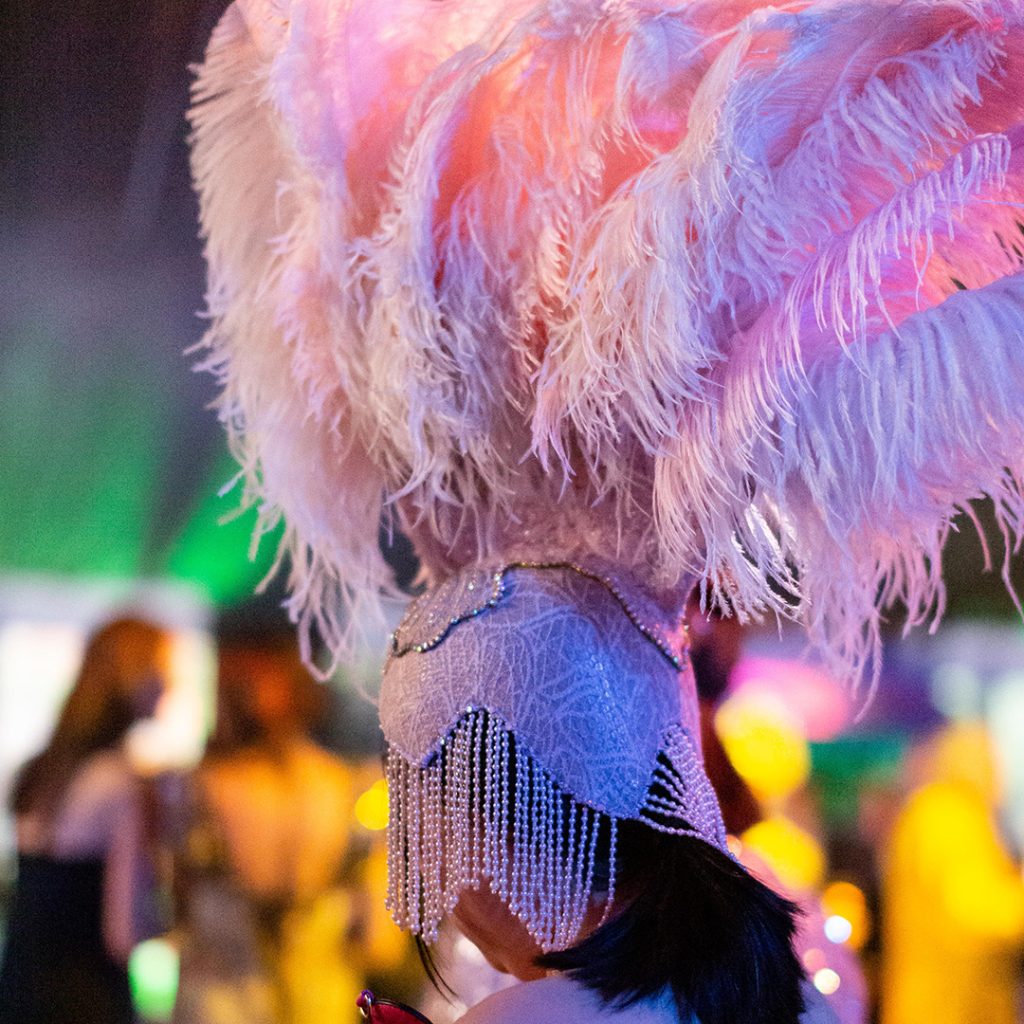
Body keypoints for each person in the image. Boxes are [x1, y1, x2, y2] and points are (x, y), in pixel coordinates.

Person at [188, 0, 1024, 1021]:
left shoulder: (529, 1013)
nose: (443, 889)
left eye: (437, 831)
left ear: (519, 830)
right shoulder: (795, 980)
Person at [170, 620, 361, 1024]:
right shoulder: (337, 782)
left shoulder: (206, 785)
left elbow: (175, 901)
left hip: (253, 990)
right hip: (284, 988)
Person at [0, 616, 169, 1024]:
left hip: (20, 988)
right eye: (162, 668)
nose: (169, 684)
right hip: (87, 996)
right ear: (134, 677)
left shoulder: (40, 770)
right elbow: (123, 934)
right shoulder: (123, 782)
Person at [881, 722, 1024, 1024]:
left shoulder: (937, 812)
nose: (998, 771)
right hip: (948, 1009)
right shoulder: (949, 815)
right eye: (989, 758)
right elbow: (977, 910)